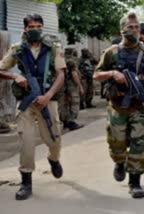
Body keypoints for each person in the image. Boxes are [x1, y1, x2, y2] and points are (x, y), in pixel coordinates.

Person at [93, 12, 144, 198]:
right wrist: (112, 74)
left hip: (140, 106)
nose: (134, 30)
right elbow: (96, 74)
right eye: (130, 27)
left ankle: (135, 182)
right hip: (117, 106)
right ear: (122, 29)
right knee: (117, 143)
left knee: (141, 143)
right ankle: (119, 162)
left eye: (137, 26)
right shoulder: (112, 52)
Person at [0, 14, 65, 200]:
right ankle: (26, 182)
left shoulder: (53, 48)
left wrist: (48, 96)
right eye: (31, 26)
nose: (35, 29)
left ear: (42, 27)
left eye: (38, 26)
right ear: (25, 29)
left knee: (54, 139)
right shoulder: (17, 49)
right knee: (26, 143)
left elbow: (61, 75)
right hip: (27, 101)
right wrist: (14, 77)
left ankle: (53, 159)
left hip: (47, 98)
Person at [58, 47, 84, 131]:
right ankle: (71, 122)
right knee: (74, 103)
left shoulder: (61, 59)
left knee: (64, 104)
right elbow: (74, 74)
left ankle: (65, 121)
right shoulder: (71, 61)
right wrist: (80, 86)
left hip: (61, 86)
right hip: (71, 85)